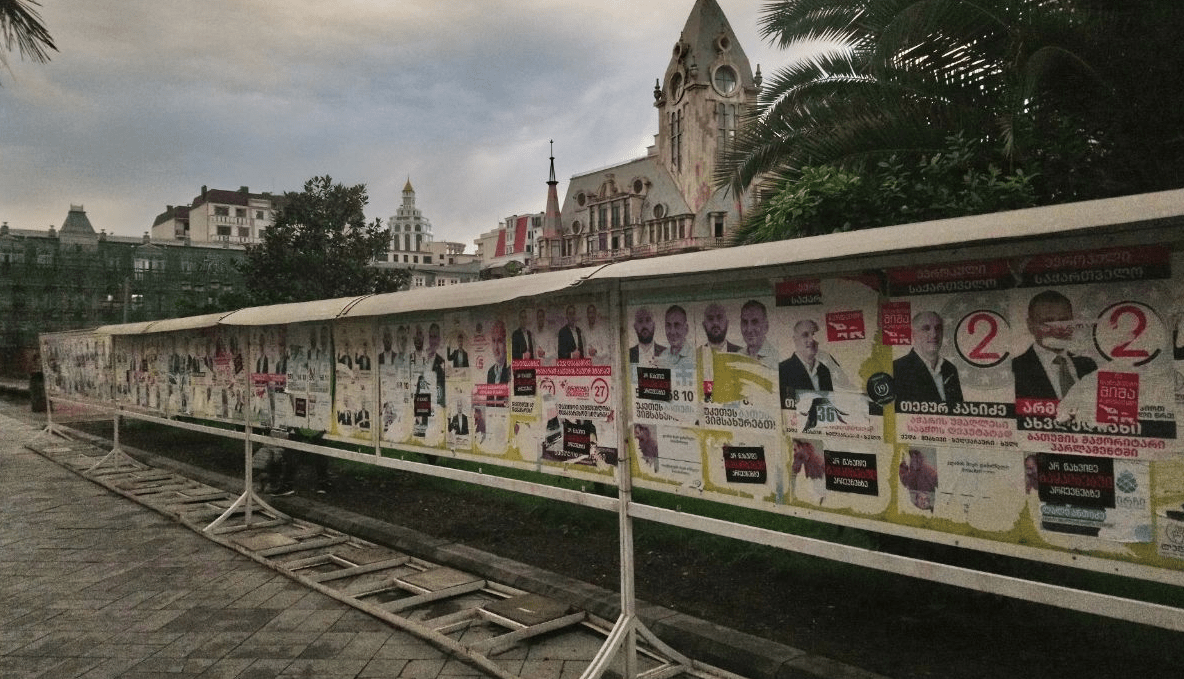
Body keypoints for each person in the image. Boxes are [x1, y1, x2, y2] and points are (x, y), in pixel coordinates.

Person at [1011, 290, 1097, 400]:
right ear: (1030, 325)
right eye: (1048, 322)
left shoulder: (1088, 365)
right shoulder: (1016, 368)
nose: (1058, 329)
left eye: (1064, 321)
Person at [893, 311, 963, 404]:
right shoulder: (897, 368)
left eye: (938, 328)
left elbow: (958, 407)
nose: (934, 334)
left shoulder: (950, 369)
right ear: (913, 334)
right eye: (926, 328)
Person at [779, 319, 848, 403]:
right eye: (805, 335)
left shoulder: (824, 370)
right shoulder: (783, 369)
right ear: (795, 339)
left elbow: (830, 403)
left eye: (814, 335)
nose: (811, 340)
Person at [739, 300, 776, 369]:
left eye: (755, 322)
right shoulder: (738, 356)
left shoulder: (777, 360)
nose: (749, 329)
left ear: (766, 326)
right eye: (745, 322)